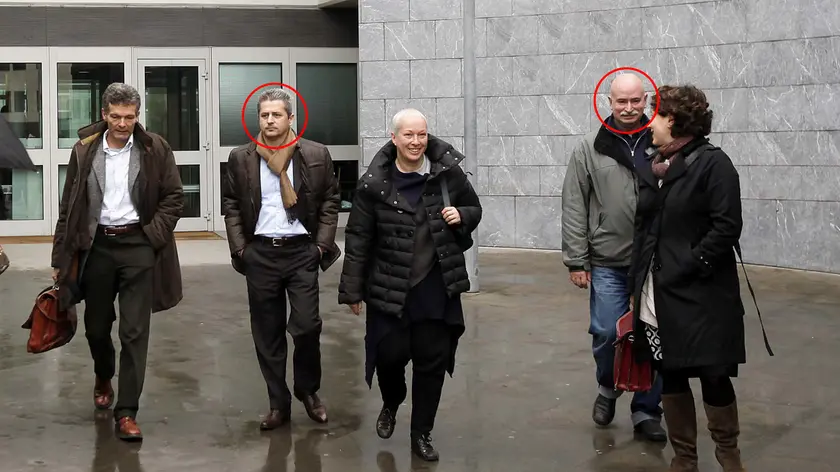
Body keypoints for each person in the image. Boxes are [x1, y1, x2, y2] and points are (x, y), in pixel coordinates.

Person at [338, 109, 481, 462]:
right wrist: (352, 289)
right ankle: (392, 398)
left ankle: (422, 434)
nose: (416, 142)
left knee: (431, 362)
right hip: (389, 284)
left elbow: (473, 208)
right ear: (394, 138)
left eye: (421, 135)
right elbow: (358, 237)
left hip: (436, 285)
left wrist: (461, 216)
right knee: (389, 357)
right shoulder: (375, 182)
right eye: (408, 136)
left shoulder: (446, 174)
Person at [51, 82, 184, 441]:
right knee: (96, 328)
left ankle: (127, 413)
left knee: (134, 332)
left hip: (138, 246)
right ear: (104, 114)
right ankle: (102, 373)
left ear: (137, 116)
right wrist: (60, 256)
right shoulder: (85, 150)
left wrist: (152, 235)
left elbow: (174, 197)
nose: (123, 124)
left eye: (129, 117)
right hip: (96, 248)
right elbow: (69, 207)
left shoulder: (155, 148)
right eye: (116, 117)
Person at [629, 84, 752, 472]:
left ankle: (729, 457)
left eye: (656, 114)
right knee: (672, 372)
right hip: (660, 295)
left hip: (704, 297)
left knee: (714, 374)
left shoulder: (715, 164)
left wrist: (689, 262)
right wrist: (639, 281)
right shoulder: (657, 165)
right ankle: (684, 460)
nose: (650, 122)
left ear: (674, 120)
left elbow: (726, 226)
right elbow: (646, 228)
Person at [222, 88, 341, 430]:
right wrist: (241, 248)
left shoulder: (315, 154)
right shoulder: (242, 157)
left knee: (306, 327)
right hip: (261, 253)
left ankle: (308, 390)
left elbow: (331, 201)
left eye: (277, 115)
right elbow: (231, 203)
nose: (270, 120)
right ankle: (278, 404)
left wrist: (320, 246)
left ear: (291, 118)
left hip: (301, 252)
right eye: (264, 115)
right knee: (267, 332)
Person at [561, 73, 666, 441]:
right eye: (621, 101)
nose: (628, 108)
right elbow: (574, 204)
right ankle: (608, 387)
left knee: (652, 335)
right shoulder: (589, 147)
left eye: (635, 101)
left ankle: (646, 411)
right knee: (607, 331)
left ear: (645, 100)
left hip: (654, 262)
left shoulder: (660, 142)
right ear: (609, 101)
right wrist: (576, 259)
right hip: (607, 260)